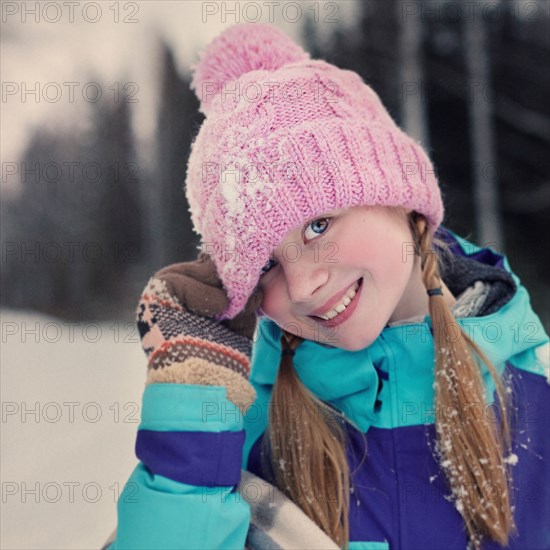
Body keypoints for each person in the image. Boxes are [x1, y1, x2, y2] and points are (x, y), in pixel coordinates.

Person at [104, 23, 550, 550]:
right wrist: (190, 411)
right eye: (266, 264)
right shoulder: (241, 431)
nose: (304, 286)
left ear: (402, 198)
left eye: (318, 226)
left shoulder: (533, 400)